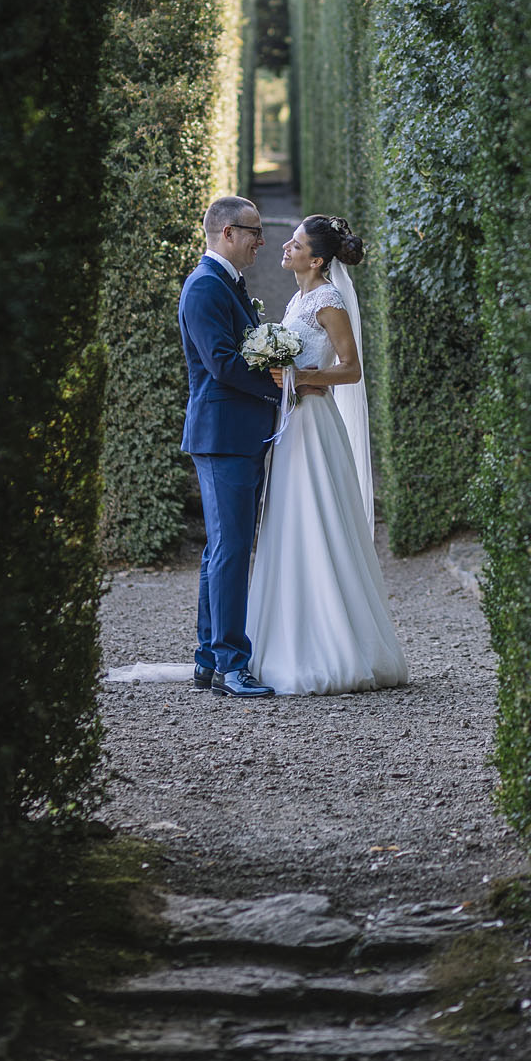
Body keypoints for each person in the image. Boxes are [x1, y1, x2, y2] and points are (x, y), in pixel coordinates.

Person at [247, 215, 409, 696]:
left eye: (294, 244)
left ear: (316, 259)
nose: (285, 247)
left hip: (315, 423)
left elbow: (352, 369)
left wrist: (305, 379)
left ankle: (333, 643)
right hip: (292, 422)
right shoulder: (298, 298)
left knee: (318, 518)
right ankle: (286, 638)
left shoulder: (329, 301)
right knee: (290, 521)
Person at [178, 195, 282, 699]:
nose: (261, 241)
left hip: (237, 434)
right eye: (254, 231)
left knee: (223, 549)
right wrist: (278, 386)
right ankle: (231, 665)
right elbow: (221, 363)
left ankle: (207, 659)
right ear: (227, 234)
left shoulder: (227, 285)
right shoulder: (204, 287)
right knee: (232, 550)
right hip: (222, 437)